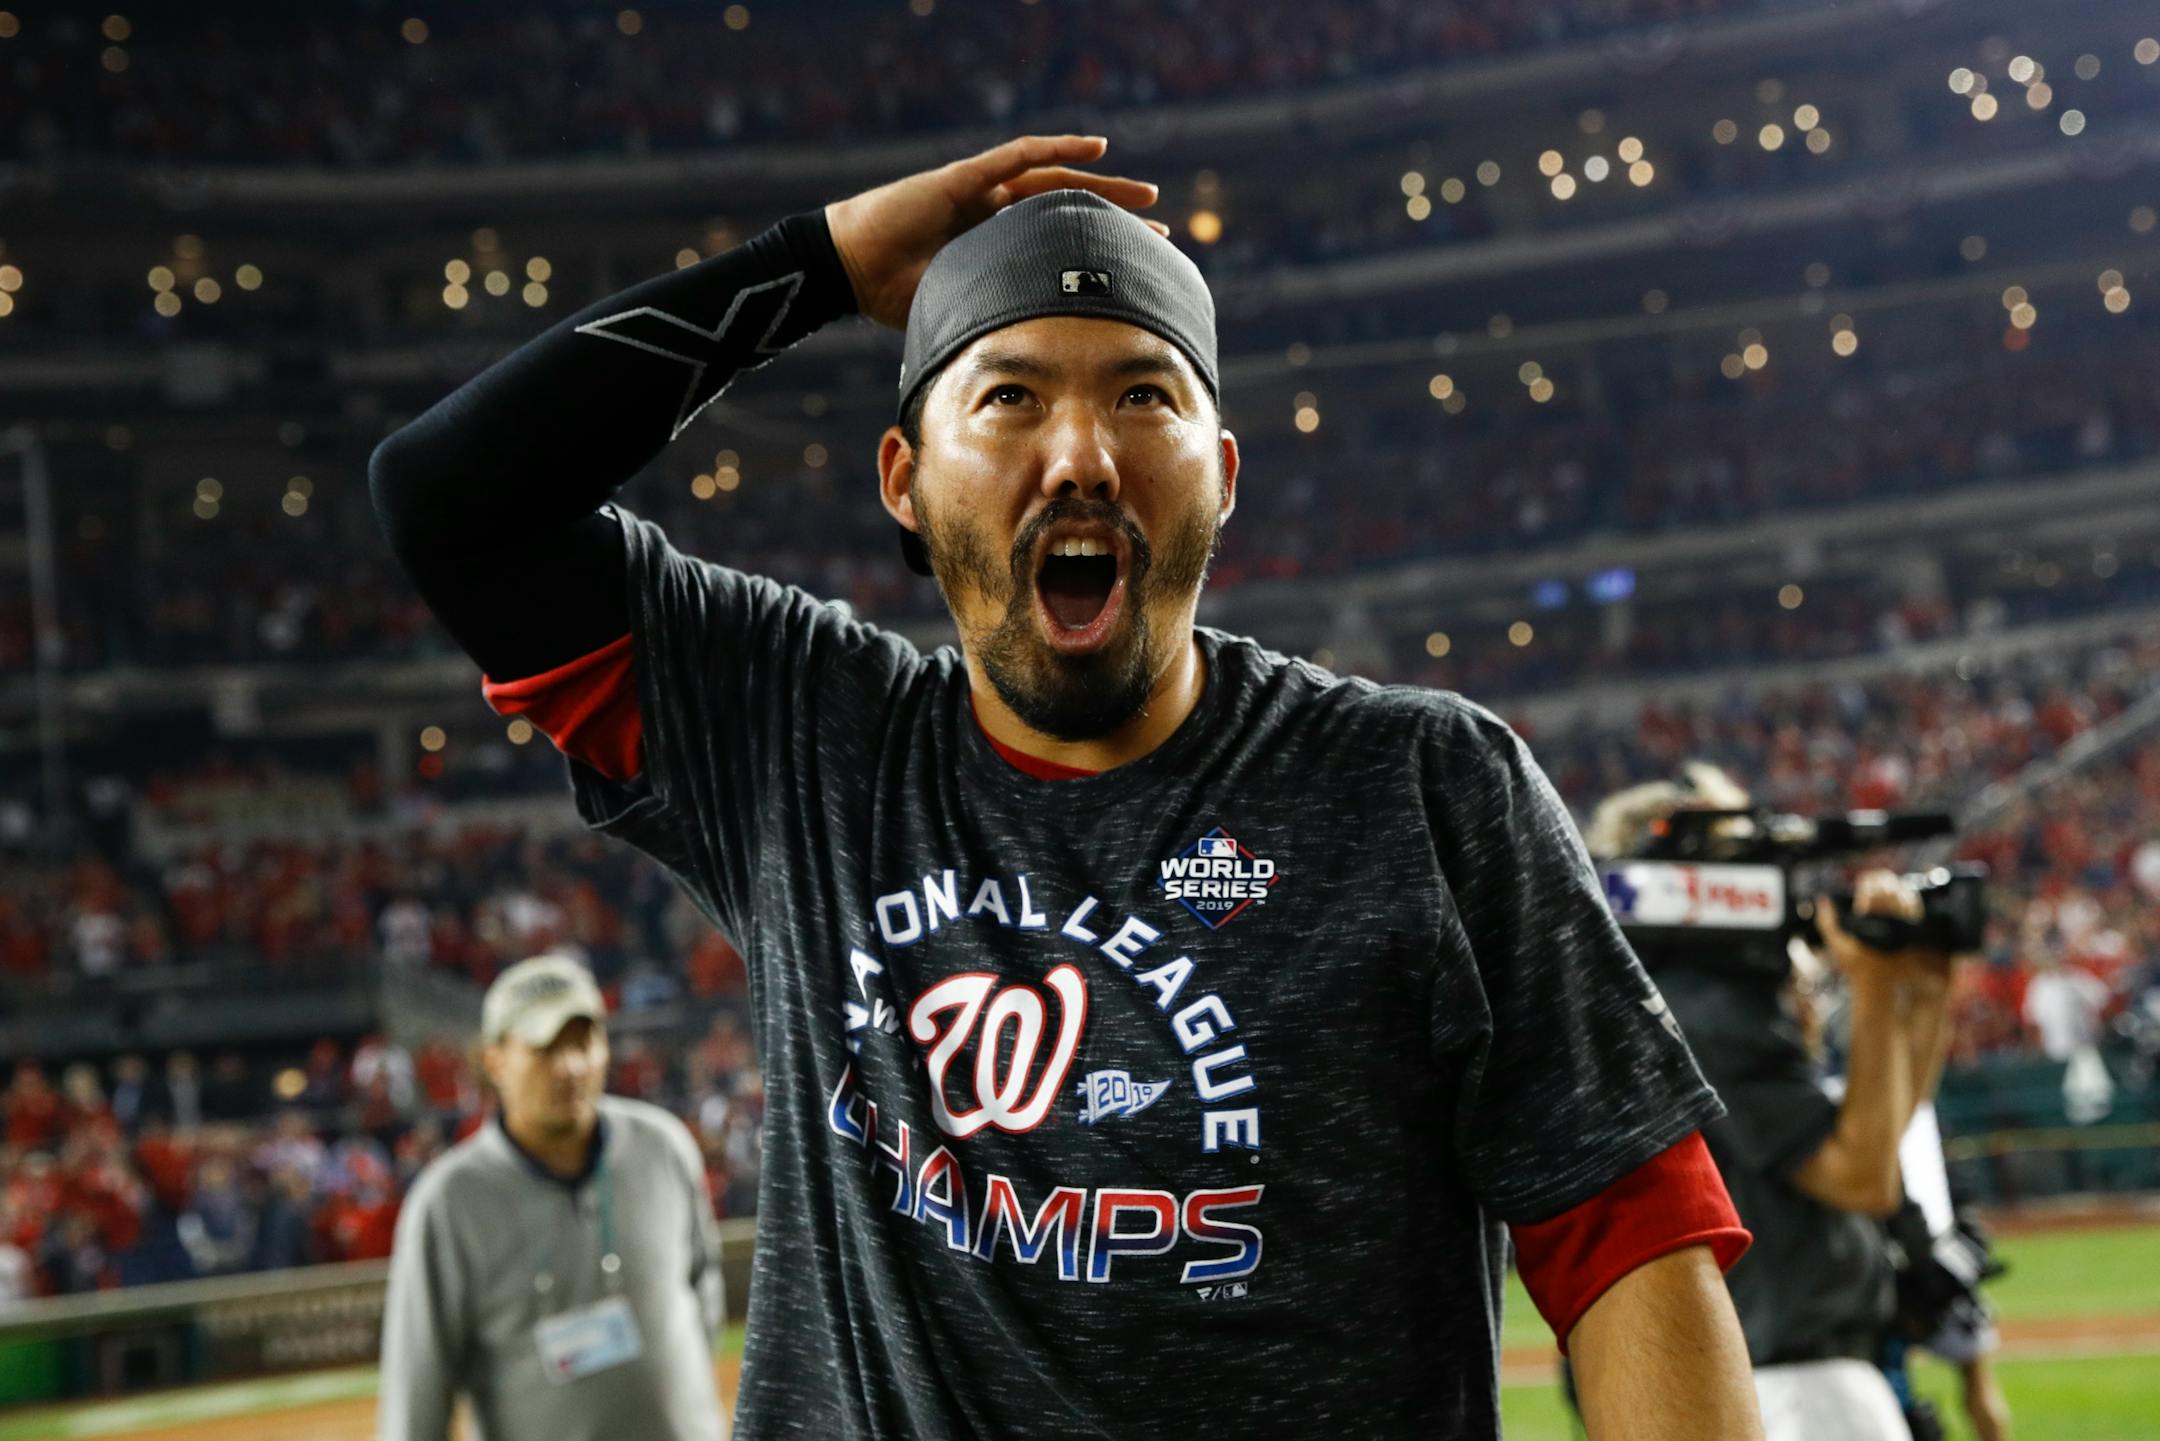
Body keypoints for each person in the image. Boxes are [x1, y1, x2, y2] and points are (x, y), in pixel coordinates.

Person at [372, 134, 1761, 1439]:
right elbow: (451, 499)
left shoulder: (1424, 784)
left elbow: (1630, 1238)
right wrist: (828, 266)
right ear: (905, 481)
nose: (1082, 454)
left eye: (1143, 395)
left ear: (1218, 476)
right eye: (1012, 395)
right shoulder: (797, 737)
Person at [1586, 767, 1960, 1441]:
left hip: (1777, 1378)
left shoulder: (1678, 999)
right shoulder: (1706, 1009)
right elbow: (1862, 1177)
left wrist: (1923, 993)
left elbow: (1877, 1139)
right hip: (1793, 1384)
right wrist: (1875, 986)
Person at [377, 954, 724, 1441]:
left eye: (583, 1041)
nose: (571, 1066)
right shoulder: (449, 1202)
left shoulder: (662, 1148)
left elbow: (703, 1294)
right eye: (545, 1048)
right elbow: (418, 1391)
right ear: (493, 1059)